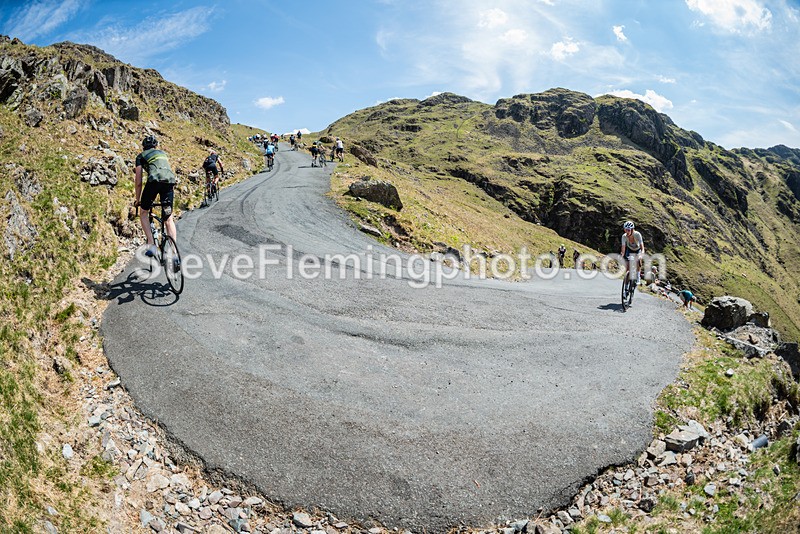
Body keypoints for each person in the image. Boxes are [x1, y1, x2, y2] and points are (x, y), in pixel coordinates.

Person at [134, 135, 177, 257]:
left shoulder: (140, 156)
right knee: (168, 219)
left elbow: (138, 181)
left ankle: (152, 245)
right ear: (155, 146)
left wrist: (138, 200)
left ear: (143, 147)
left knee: (143, 213)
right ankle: (174, 254)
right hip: (169, 182)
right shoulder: (162, 153)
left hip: (153, 182)